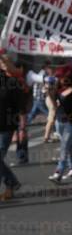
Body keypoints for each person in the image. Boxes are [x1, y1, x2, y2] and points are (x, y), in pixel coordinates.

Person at [48, 66, 72, 183]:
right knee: (67, 147)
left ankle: (58, 172)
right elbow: (54, 106)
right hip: (60, 121)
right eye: (60, 77)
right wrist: (50, 93)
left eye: (66, 77)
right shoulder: (58, 90)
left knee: (64, 147)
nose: (63, 79)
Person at [0, 53, 26, 201]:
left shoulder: (12, 83)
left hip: (6, 127)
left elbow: (21, 107)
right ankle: (11, 184)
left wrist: (21, 129)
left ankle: (11, 184)